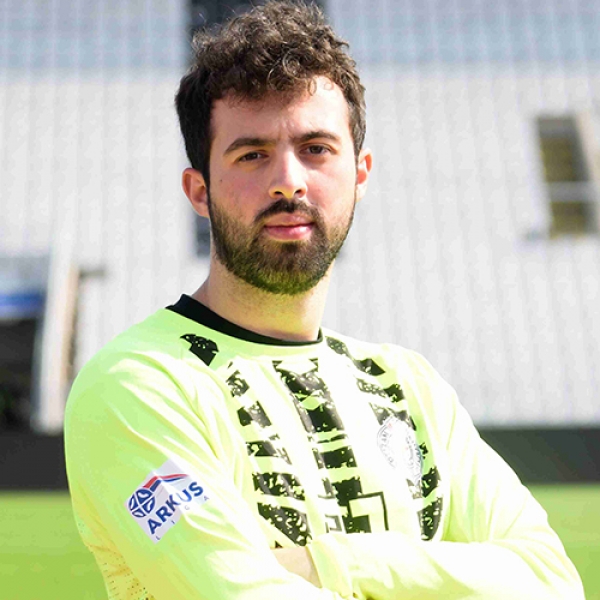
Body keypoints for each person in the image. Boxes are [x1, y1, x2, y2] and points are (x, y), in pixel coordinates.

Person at [64, 2, 584, 598]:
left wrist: (333, 564)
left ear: (360, 174)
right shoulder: (139, 384)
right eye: (252, 154)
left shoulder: (409, 386)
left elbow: (551, 583)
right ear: (199, 191)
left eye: (315, 148)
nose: (288, 181)